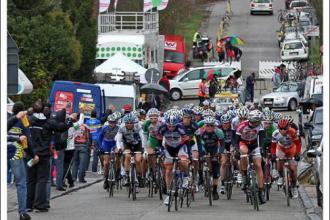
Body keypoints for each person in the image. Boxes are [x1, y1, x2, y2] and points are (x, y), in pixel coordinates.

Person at [27, 101, 72, 212]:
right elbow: (61, 127)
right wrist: (69, 121)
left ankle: (28, 204)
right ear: (43, 110)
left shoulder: (28, 121)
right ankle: (40, 204)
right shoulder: (48, 123)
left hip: (31, 154)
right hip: (43, 154)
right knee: (42, 180)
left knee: (30, 180)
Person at [234, 110, 266, 204]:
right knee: (244, 152)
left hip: (254, 144)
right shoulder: (242, 126)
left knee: (258, 166)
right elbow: (236, 140)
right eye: (256, 121)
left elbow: (261, 139)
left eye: (259, 121)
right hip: (243, 143)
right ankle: (244, 176)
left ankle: (260, 192)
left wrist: (261, 149)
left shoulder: (260, 125)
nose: (258, 123)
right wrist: (236, 150)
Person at [7, 102, 32, 220]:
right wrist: (33, 154)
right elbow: (27, 140)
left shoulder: (7, 118)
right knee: (21, 184)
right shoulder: (23, 121)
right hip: (16, 154)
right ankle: (22, 212)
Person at [158, 113, 189, 205]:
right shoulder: (163, 128)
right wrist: (161, 150)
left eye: (173, 126)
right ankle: (169, 193)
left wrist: (189, 155)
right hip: (169, 148)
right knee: (168, 170)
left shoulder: (181, 128)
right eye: (169, 126)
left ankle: (186, 177)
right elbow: (159, 141)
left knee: (183, 161)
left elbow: (187, 142)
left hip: (180, 147)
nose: (171, 128)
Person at [271, 119, 301, 198]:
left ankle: (294, 187)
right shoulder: (275, 133)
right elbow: (273, 146)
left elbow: (298, 144)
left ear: (288, 127)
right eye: (281, 128)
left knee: (293, 168)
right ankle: (281, 176)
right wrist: (273, 154)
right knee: (279, 160)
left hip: (291, 149)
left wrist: (297, 153)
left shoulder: (293, 132)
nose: (283, 130)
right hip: (281, 148)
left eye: (285, 128)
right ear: (278, 128)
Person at [116, 113, 146, 188]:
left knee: (138, 160)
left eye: (131, 123)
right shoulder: (122, 127)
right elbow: (118, 140)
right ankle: (127, 175)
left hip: (137, 144)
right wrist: (119, 148)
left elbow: (143, 138)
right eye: (127, 123)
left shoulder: (137, 126)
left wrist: (143, 148)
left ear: (134, 123)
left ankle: (139, 177)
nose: (129, 125)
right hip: (127, 144)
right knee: (127, 156)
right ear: (124, 123)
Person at [198, 116, 224, 200]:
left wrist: (219, 152)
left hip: (214, 148)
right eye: (207, 125)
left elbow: (222, 144)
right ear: (204, 126)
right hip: (204, 147)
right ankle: (201, 178)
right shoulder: (201, 132)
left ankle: (215, 191)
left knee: (216, 168)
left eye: (211, 125)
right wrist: (202, 154)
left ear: (214, 126)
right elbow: (199, 144)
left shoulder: (219, 132)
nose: (209, 127)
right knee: (200, 160)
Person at [99, 113, 121, 190]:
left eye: (113, 122)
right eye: (110, 122)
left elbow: (121, 139)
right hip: (106, 143)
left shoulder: (119, 128)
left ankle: (118, 171)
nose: (112, 124)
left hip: (115, 143)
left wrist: (120, 147)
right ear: (108, 122)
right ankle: (105, 178)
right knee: (106, 162)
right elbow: (100, 137)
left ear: (116, 122)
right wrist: (100, 146)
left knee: (117, 155)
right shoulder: (104, 128)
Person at [71, 113, 90, 183]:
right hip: (83, 145)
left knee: (75, 162)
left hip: (75, 145)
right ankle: (81, 178)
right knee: (82, 163)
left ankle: (73, 177)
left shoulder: (75, 125)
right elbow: (88, 136)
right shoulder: (85, 126)